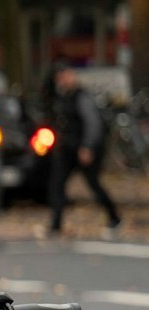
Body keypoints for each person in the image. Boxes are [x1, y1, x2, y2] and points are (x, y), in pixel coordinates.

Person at [48, 65, 122, 237]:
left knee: (93, 183)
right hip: (68, 149)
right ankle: (56, 225)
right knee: (57, 183)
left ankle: (114, 217)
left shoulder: (82, 97)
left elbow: (92, 124)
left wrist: (87, 146)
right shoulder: (62, 97)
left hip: (83, 149)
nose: (63, 81)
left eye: (65, 76)